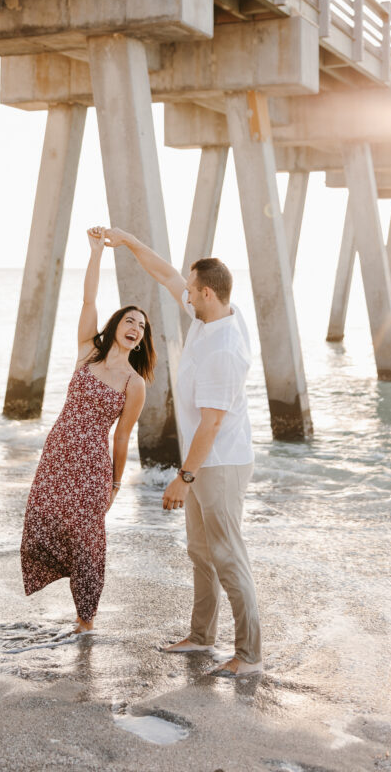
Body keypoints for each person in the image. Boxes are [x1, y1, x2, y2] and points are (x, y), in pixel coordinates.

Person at [103, 229, 262, 677]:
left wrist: (183, 477)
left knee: (228, 555)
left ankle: (249, 657)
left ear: (207, 293)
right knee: (200, 551)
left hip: (220, 463)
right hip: (204, 459)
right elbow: (167, 274)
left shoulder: (224, 349)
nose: (184, 295)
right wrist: (129, 241)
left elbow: (211, 423)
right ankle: (201, 637)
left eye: (192, 291)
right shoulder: (210, 317)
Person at [20, 226, 154, 633]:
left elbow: (122, 437)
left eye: (142, 327)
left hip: (92, 466)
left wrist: (115, 485)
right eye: (130, 321)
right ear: (116, 326)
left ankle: (86, 621)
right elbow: (89, 299)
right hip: (57, 455)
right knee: (43, 521)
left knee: (89, 540)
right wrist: (96, 252)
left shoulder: (135, 384)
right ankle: (66, 599)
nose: (136, 328)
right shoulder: (87, 352)